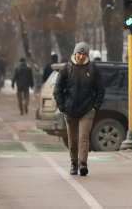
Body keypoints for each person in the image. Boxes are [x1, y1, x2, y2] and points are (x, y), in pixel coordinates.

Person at [53, 42, 105, 176]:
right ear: (74, 54)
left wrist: (95, 107)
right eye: (79, 54)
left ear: (87, 55)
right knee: (72, 138)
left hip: (87, 110)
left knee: (83, 136)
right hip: (69, 110)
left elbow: (100, 90)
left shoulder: (92, 69)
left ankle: (83, 164)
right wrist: (62, 107)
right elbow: (57, 90)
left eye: (84, 54)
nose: (81, 56)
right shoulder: (66, 69)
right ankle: (74, 163)